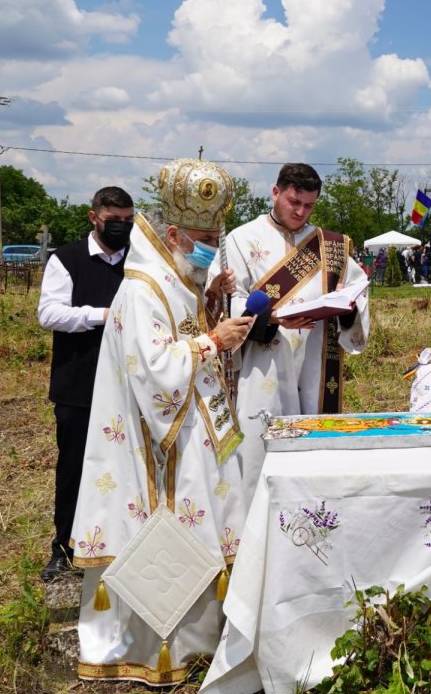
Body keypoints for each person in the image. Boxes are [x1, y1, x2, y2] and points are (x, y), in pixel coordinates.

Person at [70, 159, 254, 685]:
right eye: (199, 237)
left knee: (204, 524)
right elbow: (156, 372)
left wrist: (211, 305)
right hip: (157, 443)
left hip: (191, 433)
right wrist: (213, 341)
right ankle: (152, 651)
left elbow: (184, 337)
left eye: (214, 237)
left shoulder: (177, 280)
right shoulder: (142, 288)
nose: (207, 247)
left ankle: (196, 643)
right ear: (171, 232)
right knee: (167, 528)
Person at [216, 162, 369, 488]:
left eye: (309, 205)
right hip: (264, 361)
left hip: (316, 360)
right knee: (260, 452)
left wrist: (346, 307)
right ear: (275, 192)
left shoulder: (333, 248)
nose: (301, 212)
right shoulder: (241, 240)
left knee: (313, 457)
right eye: (294, 202)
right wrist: (270, 318)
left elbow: (357, 295)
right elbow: (229, 302)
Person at [37, 186, 135, 582]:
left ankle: (120, 542)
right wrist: (104, 314)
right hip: (80, 381)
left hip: (128, 383)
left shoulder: (139, 261)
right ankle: (65, 547)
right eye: (114, 221)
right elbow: (50, 313)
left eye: (128, 222)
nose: (121, 228)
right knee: (75, 467)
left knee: (124, 465)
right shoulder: (67, 259)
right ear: (94, 216)